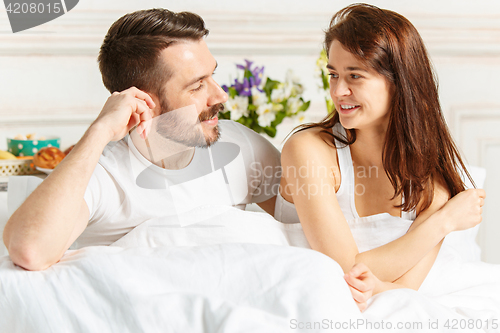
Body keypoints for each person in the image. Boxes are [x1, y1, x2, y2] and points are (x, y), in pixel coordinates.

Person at [3, 9, 281, 271]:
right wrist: (99, 130)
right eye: (197, 85)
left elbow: (308, 225)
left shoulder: (240, 145)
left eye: (213, 76)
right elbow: (30, 250)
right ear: (144, 101)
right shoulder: (106, 176)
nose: (221, 95)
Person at [275, 3, 485, 311]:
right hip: (303, 301)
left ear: (400, 82)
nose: (338, 91)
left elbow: (402, 290)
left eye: (355, 76)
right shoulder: (308, 150)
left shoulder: (428, 173)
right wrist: (444, 221)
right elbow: (345, 272)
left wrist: (382, 283)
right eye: (333, 74)